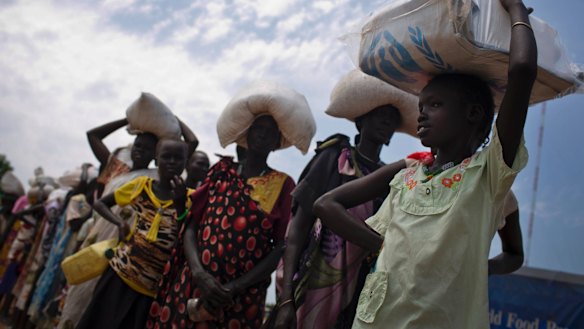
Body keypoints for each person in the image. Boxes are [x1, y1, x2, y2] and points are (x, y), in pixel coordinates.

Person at [313, 1, 536, 327]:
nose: (421, 113)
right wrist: (385, 246)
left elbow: (522, 72)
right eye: (422, 104)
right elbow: (325, 204)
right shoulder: (408, 174)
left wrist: (515, 10)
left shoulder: (486, 175)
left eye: (434, 104)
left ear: (473, 115)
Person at [275, 89, 417, 329]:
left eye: (392, 119)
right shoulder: (332, 158)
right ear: (361, 120)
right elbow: (298, 228)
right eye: (379, 114)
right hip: (312, 285)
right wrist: (286, 298)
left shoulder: (390, 180)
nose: (386, 121)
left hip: (361, 289)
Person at [147, 115, 298, 329]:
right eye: (258, 128)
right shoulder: (221, 171)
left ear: (277, 143)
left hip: (241, 299)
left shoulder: (283, 185)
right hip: (193, 283)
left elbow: (279, 248)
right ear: (247, 133)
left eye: (271, 132)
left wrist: (235, 287)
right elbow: (191, 225)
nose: (263, 134)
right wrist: (199, 274)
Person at [75, 139, 191, 329]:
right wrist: (120, 223)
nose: (171, 162)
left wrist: (180, 206)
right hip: (119, 273)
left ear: (185, 163)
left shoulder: (190, 199)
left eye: (178, 158)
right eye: (166, 156)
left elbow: (185, 239)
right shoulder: (141, 185)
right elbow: (100, 203)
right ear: (156, 159)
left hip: (150, 288)